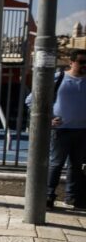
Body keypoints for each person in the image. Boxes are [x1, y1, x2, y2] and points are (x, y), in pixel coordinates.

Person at [44, 48, 86, 209]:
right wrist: (48, 119)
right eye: (81, 62)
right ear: (71, 62)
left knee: (76, 166)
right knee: (56, 164)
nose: (84, 65)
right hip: (61, 131)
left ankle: (72, 197)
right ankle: (48, 196)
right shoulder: (58, 78)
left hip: (82, 131)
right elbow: (32, 99)